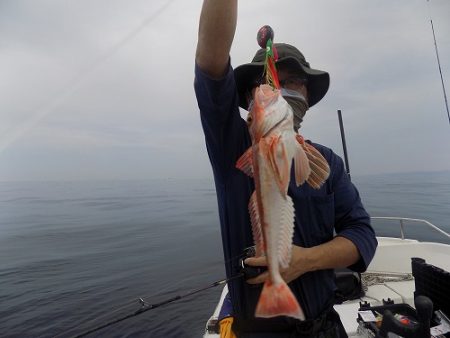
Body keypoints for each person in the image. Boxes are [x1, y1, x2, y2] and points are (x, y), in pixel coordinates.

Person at [194, 1, 378, 337]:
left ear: (307, 96)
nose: (277, 89)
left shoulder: (328, 162)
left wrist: (307, 259)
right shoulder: (232, 148)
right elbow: (209, 66)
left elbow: (362, 234)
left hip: (326, 327)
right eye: (260, 86)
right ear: (250, 101)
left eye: (292, 81)